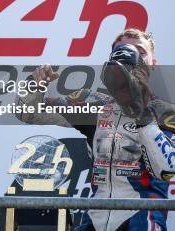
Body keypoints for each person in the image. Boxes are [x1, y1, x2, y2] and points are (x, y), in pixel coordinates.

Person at [16, 28, 175, 231]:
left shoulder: (166, 112)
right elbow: (26, 112)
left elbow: (167, 170)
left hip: (141, 218)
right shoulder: (92, 104)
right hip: (95, 217)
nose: (130, 56)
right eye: (122, 50)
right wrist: (34, 85)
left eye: (139, 51)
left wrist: (142, 113)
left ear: (153, 63)